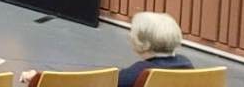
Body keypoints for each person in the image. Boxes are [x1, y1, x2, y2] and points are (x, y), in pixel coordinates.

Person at [18, 13, 192, 87]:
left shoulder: (139, 72)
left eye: (132, 32)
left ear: (143, 43)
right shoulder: (187, 66)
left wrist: (39, 79)